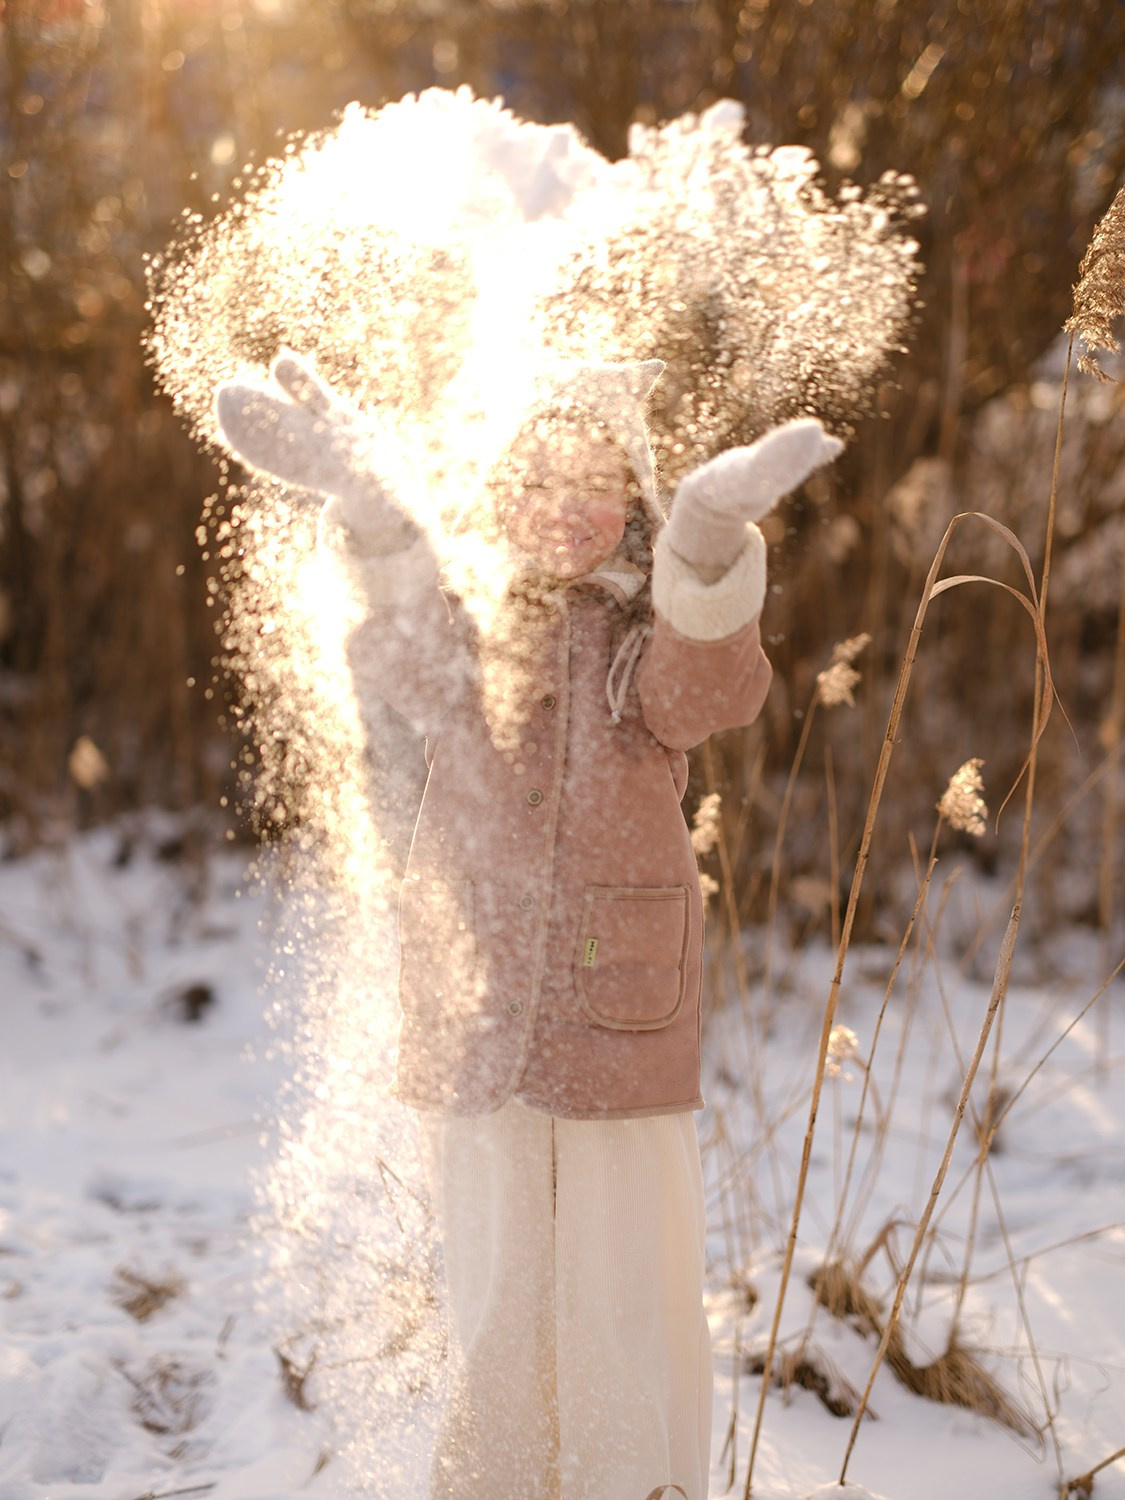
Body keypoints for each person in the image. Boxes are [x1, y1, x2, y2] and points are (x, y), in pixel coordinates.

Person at [216, 352, 842, 1500]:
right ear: (497, 488)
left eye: (596, 485)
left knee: (613, 1284)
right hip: (484, 1006)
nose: (564, 509)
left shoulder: (645, 638)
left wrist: (706, 550)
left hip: (621, 1009)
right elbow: (408, 665)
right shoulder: (469, 624)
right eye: (537, 480)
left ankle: (629, 1480)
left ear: (637, 503)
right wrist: (371, 514)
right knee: (501, 1285)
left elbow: (705, 698)